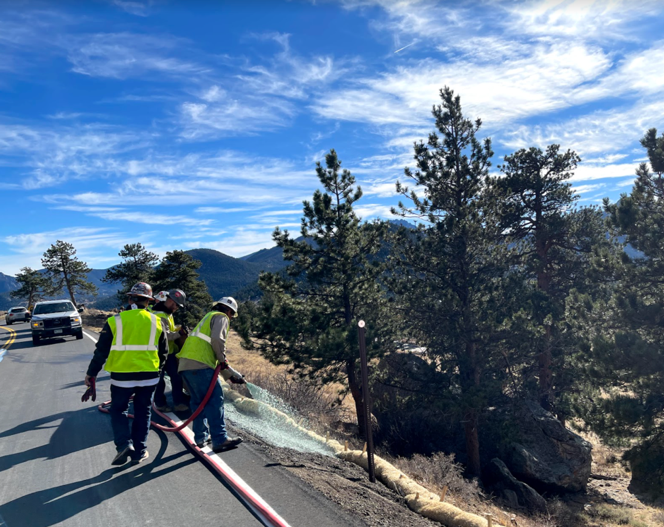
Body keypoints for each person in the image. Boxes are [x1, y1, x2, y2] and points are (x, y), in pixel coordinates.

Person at [85, 282, 168, 466]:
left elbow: (101, 352)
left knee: (118, 410)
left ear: (130, 299)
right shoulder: (157, 321)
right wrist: (158, 371)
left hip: (122, 377)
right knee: (143, 412)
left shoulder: (115, 321)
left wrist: (92, 374)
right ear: (149, 302)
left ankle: (123, 444)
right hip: (149, 377)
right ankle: (140, 450)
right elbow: (164, 352)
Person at [177, 296, 245, 452]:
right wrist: (223, 360)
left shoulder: (208, 317)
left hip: (186, 365)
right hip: (201, 366)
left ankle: (200, 437)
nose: (231, 318)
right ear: (229, 311)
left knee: (198, 401)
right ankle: (220, 439)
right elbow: (217, 341)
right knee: (215, 401)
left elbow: (208, 348)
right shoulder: (221, 317)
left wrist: (228, 374)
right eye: (232, 315)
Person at [151, 289, 189, 412]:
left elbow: (169, 330)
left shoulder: (168, 313)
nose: (176, 307)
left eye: (178, 305)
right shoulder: (159, 315)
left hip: (170, 352)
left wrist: (177, 329)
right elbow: (165, 336)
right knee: (159, 380)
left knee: (176, 377)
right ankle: (160, 404)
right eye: (175, 304)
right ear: (169, 300)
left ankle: (179, 402)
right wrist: (180, 333)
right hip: (158, 353)